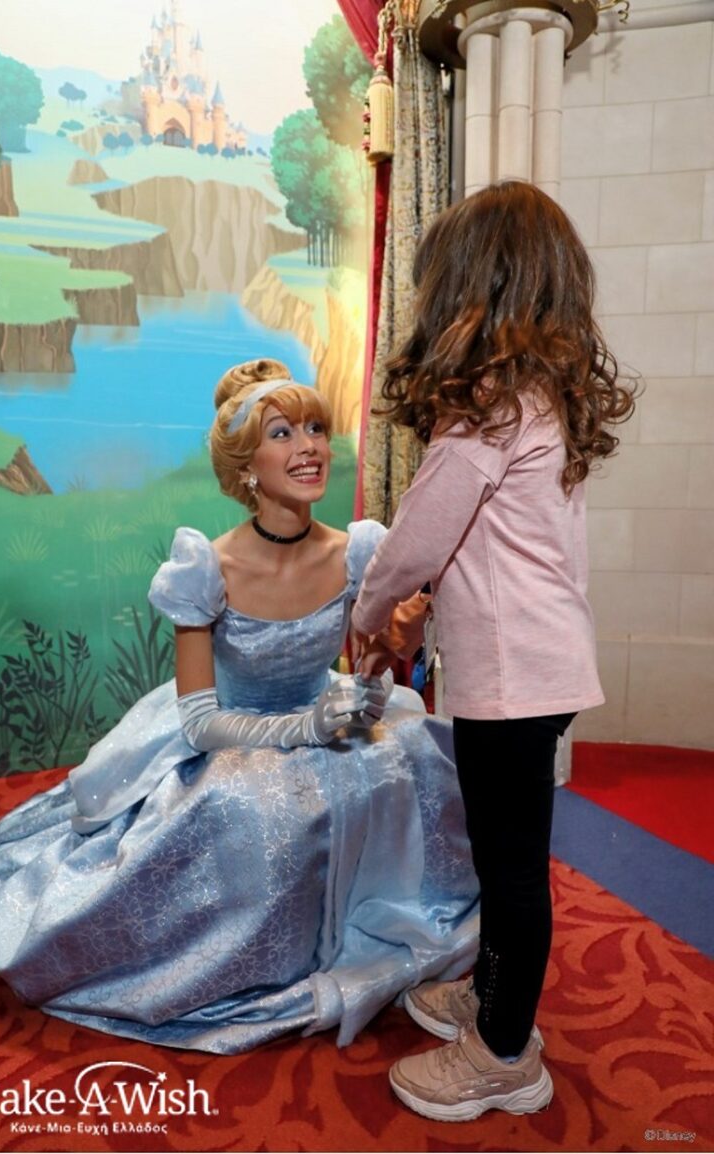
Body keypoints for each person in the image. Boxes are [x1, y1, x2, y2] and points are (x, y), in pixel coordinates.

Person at [0, 358, 480, 1054]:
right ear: (245, 467)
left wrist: (376, 679)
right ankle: (246, 960)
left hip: (322, 714)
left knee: (411, 759)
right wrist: (305, 728)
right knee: (246, 808)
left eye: (316, 429)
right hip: (231, 732)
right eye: (282, 433)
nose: (310, 447)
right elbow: (200, 723)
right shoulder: (207, 565)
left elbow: (371, 666)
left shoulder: (359, 550)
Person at [352, 180, 636, 1121]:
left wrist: (368, 611)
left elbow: (417, 538)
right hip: (539, 669)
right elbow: (490, 546)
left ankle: (504, 1052)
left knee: (510, 868)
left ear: (473, 285)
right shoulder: (540, 401)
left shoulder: (489, 409)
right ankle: (490, 996)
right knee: (503, 855)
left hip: (515, 681)